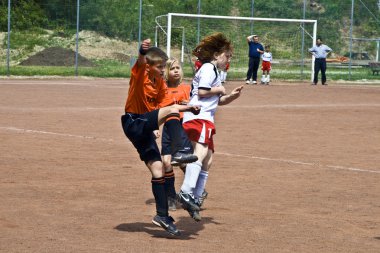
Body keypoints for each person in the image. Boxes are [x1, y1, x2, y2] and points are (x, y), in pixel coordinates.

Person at [120, 39, 200, 236]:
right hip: (133, 121)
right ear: (149, 66)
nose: (163, 69)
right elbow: (139, 63)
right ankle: (181, 149)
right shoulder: (141, 76)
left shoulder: (161, 85)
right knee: (171, 111)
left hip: (144, 128)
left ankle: (162, 216)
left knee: (158, 170)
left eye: (164, 66)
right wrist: (141, 52)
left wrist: (189, 106)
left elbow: (170, 106)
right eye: (160, 66)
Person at [177, 32, 244, 221]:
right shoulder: (208, 68)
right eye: (227, 55)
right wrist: (220, 88)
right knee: (201, 151)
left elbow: (216, 100)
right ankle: (186, 191)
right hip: (199, 116)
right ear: (216, 55)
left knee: (208, 159)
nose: (228, 59)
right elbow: (203, 91)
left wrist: (230, 96)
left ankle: (196, 198)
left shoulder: (213, 70)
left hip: (203, 116)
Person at [158, 58, 192, 211]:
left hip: (182, 128)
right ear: (166, 72)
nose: (176, 71)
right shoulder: (161, 90)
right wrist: (155, 127)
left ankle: (193, 191)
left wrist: (189, 105)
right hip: (168, 129)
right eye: (172, 68)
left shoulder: (187, 88)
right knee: (166, 163)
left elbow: (197, 106)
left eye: (178, 68)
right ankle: (171, 197)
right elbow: (158, 112)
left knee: (184, 163)